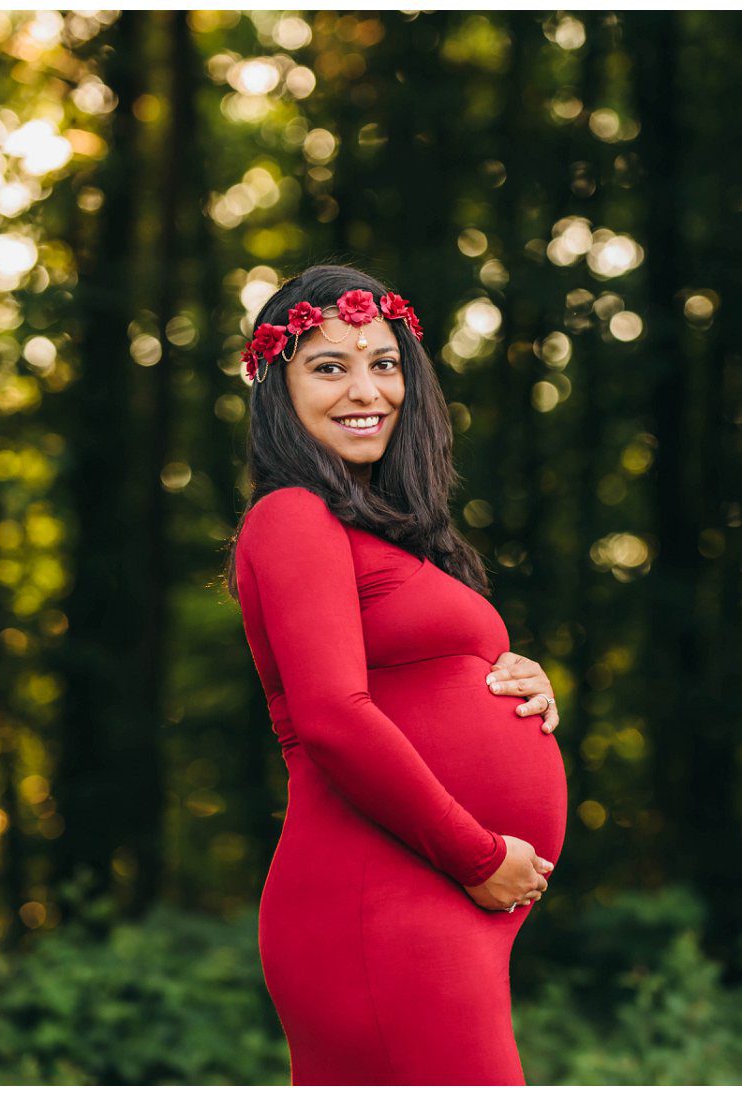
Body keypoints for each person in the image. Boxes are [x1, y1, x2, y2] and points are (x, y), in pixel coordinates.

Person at [228, 264, 569, 1083]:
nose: (365, 388)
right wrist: (480, 855)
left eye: (383, 362)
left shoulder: (386, 537)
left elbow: (412, 679)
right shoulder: (291, 515)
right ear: (279, 386)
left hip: (421, 899)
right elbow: (333, 717)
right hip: (382, 893)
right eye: (328, 365)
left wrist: (517, 679)